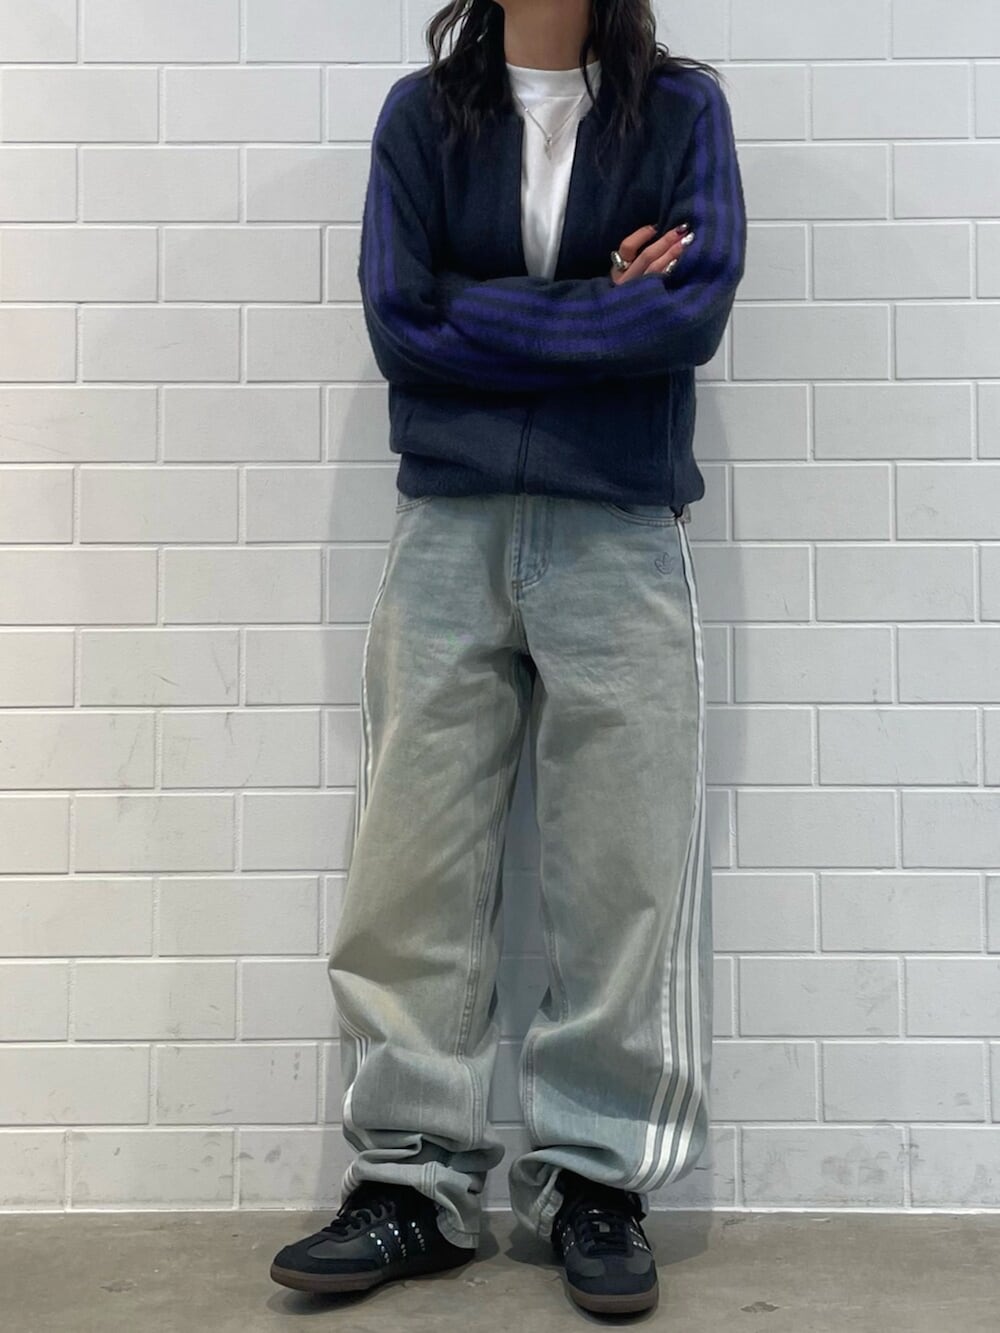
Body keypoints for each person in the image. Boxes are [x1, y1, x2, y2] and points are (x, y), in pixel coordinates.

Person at [270, 0, 745, 1315]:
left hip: (620, 528)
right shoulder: (423, 118)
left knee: (623, 868)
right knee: (411, 863)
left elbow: (689, 314)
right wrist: (598, 306)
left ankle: (596, 1180)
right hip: (448, 528)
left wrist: (487, 314)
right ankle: (408, 1182)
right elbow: (399, 324)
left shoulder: (683, 113)